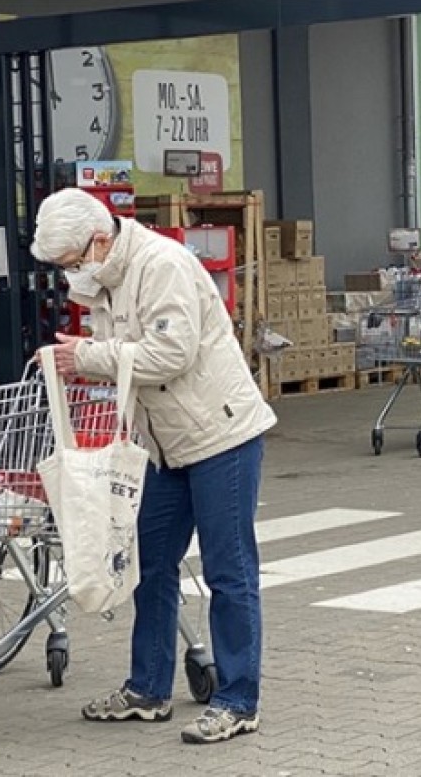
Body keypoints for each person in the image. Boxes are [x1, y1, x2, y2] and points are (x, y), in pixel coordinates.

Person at [32, 188, 276, 745]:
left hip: (221, 434)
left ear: (98, 241)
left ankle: (238, 700)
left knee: (228, 570)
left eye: (72, 263)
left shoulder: (160, 263)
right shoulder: (108, 277)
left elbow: (172, 353)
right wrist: (86, 358)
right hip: (166, 443)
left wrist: (87, 357)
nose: (73, 276)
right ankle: (147, 688)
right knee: (149, 561)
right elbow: (120, 354)